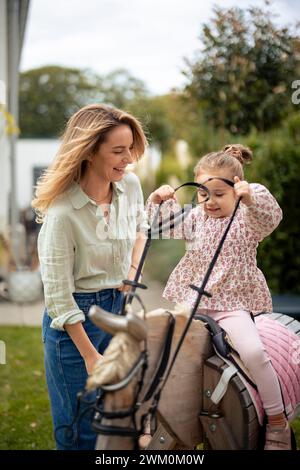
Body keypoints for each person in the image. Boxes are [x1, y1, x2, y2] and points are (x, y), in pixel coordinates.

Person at [147, 144, 292, 450]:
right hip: (193, 302)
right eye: (202, 193)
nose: (209, 201)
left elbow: (271, 215)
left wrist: (249, 193)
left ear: (236, 191)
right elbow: (163, 226)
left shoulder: (248, 220)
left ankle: (278, 423)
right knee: (162, 347)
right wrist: (159, 200)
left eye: (218, 194)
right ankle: (154, 416)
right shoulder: (196, 218)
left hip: (230, 305)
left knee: (254, 353)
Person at [32, 103, 148, 450]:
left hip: (118, 310)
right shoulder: (63, 211)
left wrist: (130, 273)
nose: (128, 158)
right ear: (89, 151)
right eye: (118, 150)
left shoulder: (130, 186)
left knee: (118, 422)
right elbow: (57, 295)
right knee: (80, 431)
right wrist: (88, 353)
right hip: (74, 326)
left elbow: (141, 228)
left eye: (129, 148)